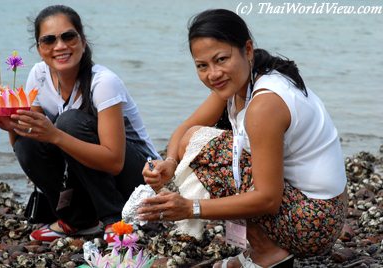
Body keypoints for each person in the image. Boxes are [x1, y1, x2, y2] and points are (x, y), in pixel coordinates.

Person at [138, 9, 347, 268]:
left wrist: (191, 208)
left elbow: (268, 199)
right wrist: (169, 162)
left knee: (206, 148)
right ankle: (260, 248)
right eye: (202, 66)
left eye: (221, 59)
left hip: (312, 221)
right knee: (195, 140)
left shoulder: (265, 104)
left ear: (247, 50)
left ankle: (268, 253)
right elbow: (187, 128)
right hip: (321, 209)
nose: (213, 74)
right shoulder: (240, 80)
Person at [0, 5, 160, 244]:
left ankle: (116, 219)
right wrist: (13, 126)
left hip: (137, 176)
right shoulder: (38, 76)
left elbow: (114, 162)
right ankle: (79, 219)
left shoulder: (103, 82)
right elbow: (32, 141)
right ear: (40, 49)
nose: (59, 46)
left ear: (82, 40)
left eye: (68, 36)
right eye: (49, 40)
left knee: (68, 122)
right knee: (27, 142)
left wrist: (55, 135)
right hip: (90, 173)